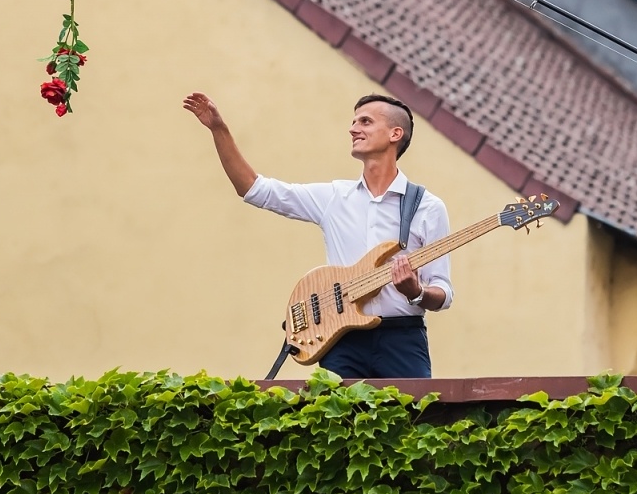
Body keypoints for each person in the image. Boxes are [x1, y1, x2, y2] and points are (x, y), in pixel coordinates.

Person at [182, 91, 453, 378]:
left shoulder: (428, 208)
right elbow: (254, 189)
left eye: (365, 122)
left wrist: (417, 292)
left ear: (395, 134)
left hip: (402, 339)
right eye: (353, 121)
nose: (353, 128)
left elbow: (443, 293)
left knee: (416, 418)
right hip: (340, 339)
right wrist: (219, 129)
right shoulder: (335, 197)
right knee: (333, 420)